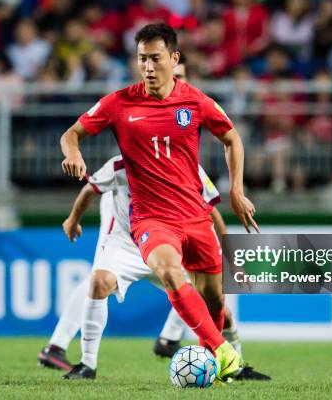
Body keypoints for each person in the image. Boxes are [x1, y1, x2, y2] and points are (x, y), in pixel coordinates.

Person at [60, 23, 258, 381]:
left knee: (215, 302)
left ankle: (216, 363)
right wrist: (73, 152)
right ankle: (225, 353)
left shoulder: (196, 101)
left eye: (155, 58)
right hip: (152, 220)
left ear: (174, 58)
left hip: (196, 218)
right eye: (141, 59)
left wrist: (236, 191)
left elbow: (233, 140)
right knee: (169, 272)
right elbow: (71, 133)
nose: (148, 67)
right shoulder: (118, 103)